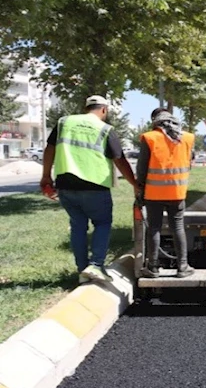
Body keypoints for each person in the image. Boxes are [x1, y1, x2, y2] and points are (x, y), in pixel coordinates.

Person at [40, 95, 139, 283]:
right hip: (95, 186)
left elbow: (49, 149)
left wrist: (46, 176)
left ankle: (82, 270)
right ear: (104, 110)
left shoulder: (64, 122)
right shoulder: (105, 129)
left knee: (78, 225)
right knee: (102, 223)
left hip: (66, 184)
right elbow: (120, 160)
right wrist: (134, 184)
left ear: (86, 107)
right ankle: (96, 265)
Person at [136, 110, 196, 278]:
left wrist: (139, 187)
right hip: (177, 191)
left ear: (155, 121)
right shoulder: (188, 138)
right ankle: (182, 267)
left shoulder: (149, 137)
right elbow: (189, 161)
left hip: (153, 193)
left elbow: (142, 168)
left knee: (154, 227)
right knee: (177, 227)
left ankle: (153, 267)